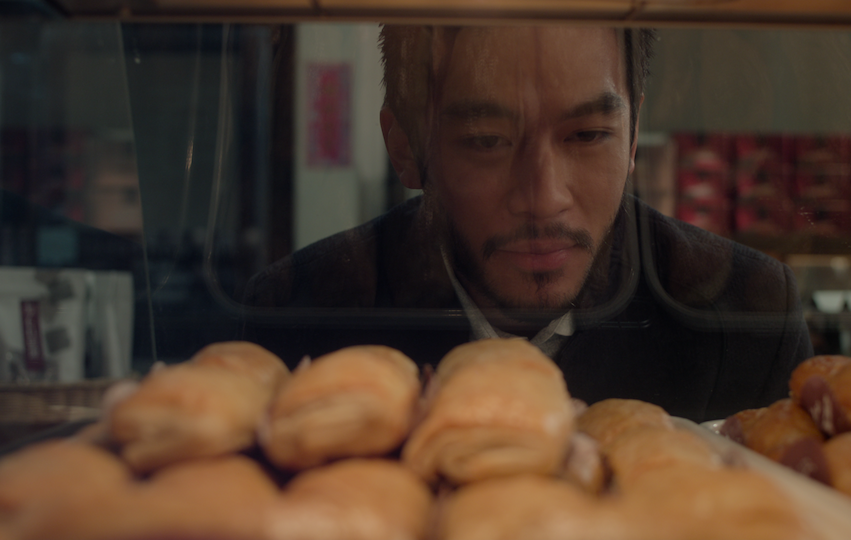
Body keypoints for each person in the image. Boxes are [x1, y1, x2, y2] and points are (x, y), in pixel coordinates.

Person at [242, 25, 812, 422]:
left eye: (588, 136)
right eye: (487, 142)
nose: (543, 198)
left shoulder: (747, 321)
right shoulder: (297, 317)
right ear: (406, 147)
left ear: (634, 136)